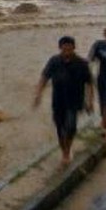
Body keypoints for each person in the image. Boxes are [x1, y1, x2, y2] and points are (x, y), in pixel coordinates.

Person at [34, 36, 94, 167]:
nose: (67, 51)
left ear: (74, 48)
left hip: (75, 101)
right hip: (58, 101)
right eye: (64, 49)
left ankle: (67, 152)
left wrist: (90, 101)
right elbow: (44, 78)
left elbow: (89, 84)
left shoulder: (82, 63)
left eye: (69, 49)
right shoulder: (54, 61)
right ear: (60, 48)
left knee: (71, 127)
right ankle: (64, 150)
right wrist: (38, 94)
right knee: (60, 128)